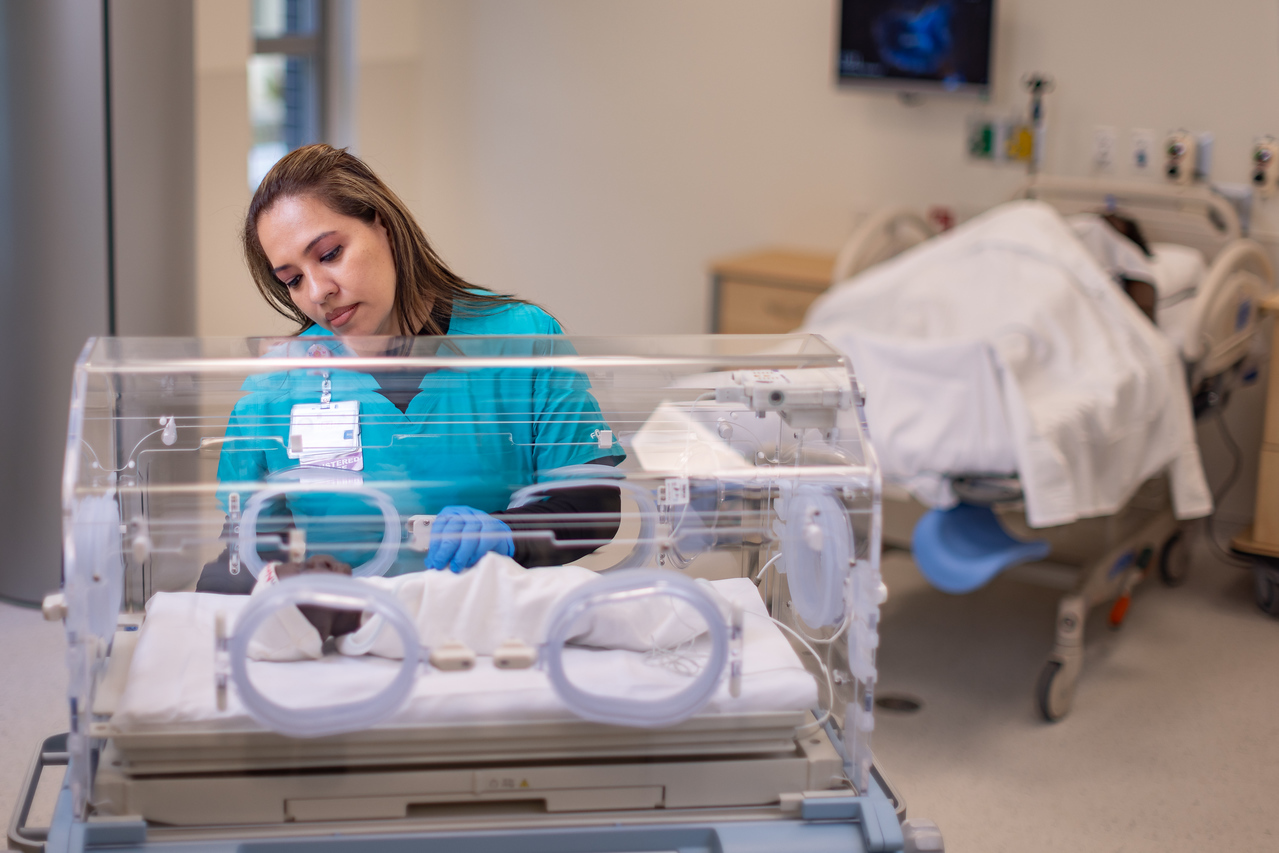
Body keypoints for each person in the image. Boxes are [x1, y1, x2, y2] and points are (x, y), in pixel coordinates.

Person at [198, 144, 622, 592]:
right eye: (293, 280)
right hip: (352, 636)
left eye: (328, 254)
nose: (318, 292)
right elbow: (244, 552)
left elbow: (593, 504)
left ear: (382, 225)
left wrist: (507, 534)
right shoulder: (278, 384)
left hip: (493, 631)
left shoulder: (520, 338)